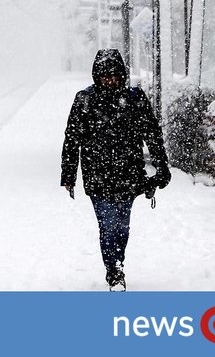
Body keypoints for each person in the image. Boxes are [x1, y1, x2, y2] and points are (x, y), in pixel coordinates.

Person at [60, 49, 170, 291]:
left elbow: (152, 135)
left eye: (114, 76)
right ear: (96, 77)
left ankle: (117, 261)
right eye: (104, 76)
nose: (109, 80)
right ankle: (114, 270)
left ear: (122, 75)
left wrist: (162, 166)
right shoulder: (85, 100)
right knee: (108, 224)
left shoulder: (135, 99)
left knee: (122, 225)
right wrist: (68, 174)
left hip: (129, 174)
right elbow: (72, 139)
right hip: (97, 175)